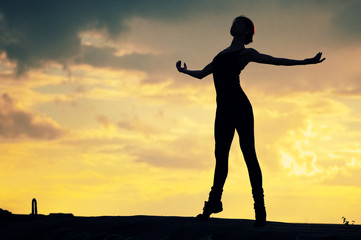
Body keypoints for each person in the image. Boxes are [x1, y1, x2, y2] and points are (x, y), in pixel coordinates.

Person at [176, 15, 325, 227]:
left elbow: (276, 61)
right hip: (223, 109)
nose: (234, 23)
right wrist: (184, 71)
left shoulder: (246, 53)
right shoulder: (220, 55)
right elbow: (202, 74)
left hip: (240, 107)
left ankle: (260, 209)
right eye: (234, 21)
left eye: (239, 22)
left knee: (249, 154)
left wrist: (306, 62)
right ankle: (213, 203)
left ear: (247, 31)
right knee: (221, 157)